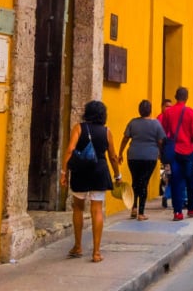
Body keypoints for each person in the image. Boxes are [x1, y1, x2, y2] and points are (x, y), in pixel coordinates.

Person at [60, 100, 120, 263]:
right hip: (99, 171)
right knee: (97, 210)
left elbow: (70, 149)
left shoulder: (79, 128)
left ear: (87, 113)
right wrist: (117, 175)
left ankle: (78, 246)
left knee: (78, 208)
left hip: (81, 171)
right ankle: (96, 252)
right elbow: (113, 157)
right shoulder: (107, 132)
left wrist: (64, 172)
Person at [158, 87, 193, 221]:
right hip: (188, 151)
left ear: (175, 96)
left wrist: (162, 151)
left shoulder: (168, 112)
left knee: (176, 181)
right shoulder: (190, 112)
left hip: (174, 152)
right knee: (190, 180)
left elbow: (164, 133)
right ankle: (191, 208)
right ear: (187, 97)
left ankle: (177, 211)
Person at [118, 99, 166, 221]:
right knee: (144, 183)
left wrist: (120, 153)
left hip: (133, 156)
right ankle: (141, 213)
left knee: (135, 181)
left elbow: (125, 139)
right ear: (150, 111)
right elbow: (161, 141)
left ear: (139, 110)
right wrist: (161, 153)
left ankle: (133, 208)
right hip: (149, 157)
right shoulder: (156, 124)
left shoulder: (133, 123)